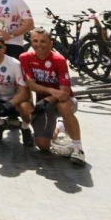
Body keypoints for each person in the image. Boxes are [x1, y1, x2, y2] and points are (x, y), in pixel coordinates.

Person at [20, 28, 85, 165]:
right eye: (35, 41)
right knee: (43, 146)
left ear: (51, 43)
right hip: (44, 104)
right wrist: (51, 91)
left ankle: (78, 148)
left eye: (43, 41)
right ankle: (60, 127)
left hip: (64, 100)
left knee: (63, 105)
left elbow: (64, 91)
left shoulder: (59, 59)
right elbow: (31, 85)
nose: (38, 44)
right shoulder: (25, 57)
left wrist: (49, 97)